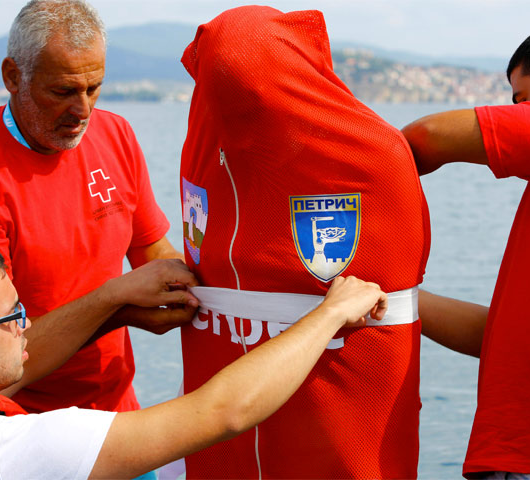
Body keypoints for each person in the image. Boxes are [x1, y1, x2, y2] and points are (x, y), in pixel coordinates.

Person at [177, 6, 430, 479]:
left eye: (251, 96)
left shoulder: (373, 161)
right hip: (220, 444)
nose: (236, 112)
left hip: (343, 445)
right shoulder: (207, 156)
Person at [0, 239, 388, 480]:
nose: (26, 326)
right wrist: (330, 314)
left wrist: (115, 308)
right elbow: (223, 411)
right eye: (14, 316)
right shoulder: (16, 452)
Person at [0, 0, 188, 416]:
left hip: (118, 411)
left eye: (93, 88)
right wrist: (116, 304)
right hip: (21, 424)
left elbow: (154, 254)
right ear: (13, 76)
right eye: (63, 91)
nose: (82, 111)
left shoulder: (116, 134)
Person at [401, 23, 530, 479]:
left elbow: (426, 136)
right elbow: (509, 341)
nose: (520, 113)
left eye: (523, 100)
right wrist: (388, 295)